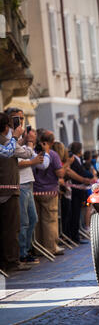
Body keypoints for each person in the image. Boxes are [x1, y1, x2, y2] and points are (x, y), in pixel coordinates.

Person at [0, 112, 33, 272]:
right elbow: (9, 152)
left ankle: (8, 260)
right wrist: (16, 137)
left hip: (7, 190)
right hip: (7, 191)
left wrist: (18, 139)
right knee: (11, 228)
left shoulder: (7, 142)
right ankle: (11, 261)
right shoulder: (7, 142)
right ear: (7, 127)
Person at [18, 129, 51, 264]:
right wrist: (32, 157)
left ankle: (26, 248)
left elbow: (42, 164)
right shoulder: (15, 144)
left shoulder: (25, 147)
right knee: (24, 222)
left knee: (33, 219)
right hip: (20, 185)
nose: (33, 136)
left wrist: (32, 148)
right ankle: (22, 253)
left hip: (28, 185)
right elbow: (17, 163)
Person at [32, 131, 65, 256]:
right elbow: (60, 173)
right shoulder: (52, 154)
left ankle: (39, 248)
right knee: (50, 220)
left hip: (35, 191)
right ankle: (51, 247)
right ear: (51, 142)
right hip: (49, 191)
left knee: (38, 221)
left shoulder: (33, 153)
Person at [69, 142, 94, 244]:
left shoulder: (77, 159)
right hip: (75, 190)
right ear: (80, 150)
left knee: (77, 213)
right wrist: (85, 178)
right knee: (75, 214)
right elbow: (81, 172)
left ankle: (76, 234)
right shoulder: (74, 160)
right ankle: (74, 237)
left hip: (80, 189)